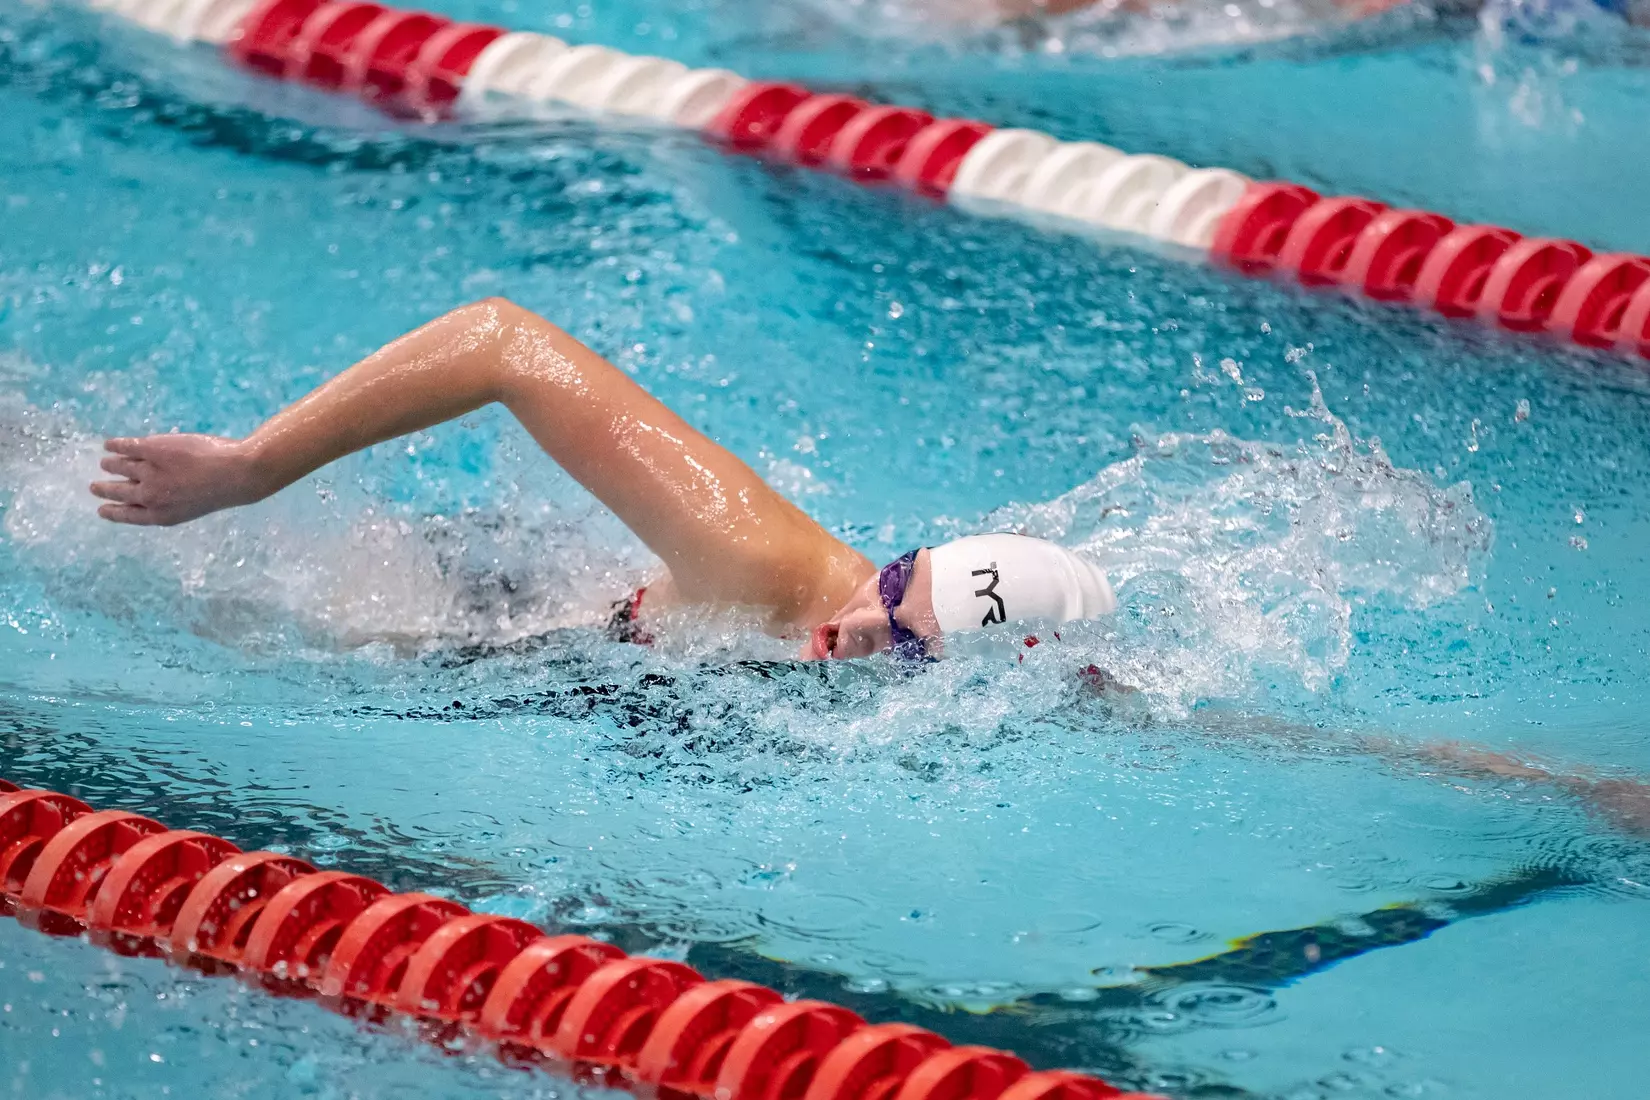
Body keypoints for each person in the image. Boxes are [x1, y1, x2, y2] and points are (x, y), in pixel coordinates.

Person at [88, 297, 1117, 662]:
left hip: (572, 668)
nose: (854, 630)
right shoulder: (766, 566)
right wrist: (253, 466)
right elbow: (499, 340)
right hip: (468, 612)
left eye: (901, 646)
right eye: (887, 590)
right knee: (102, 547)